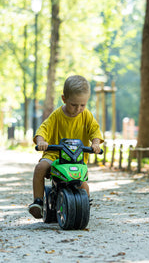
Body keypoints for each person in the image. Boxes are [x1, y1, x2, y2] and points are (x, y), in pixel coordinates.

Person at [28, 75, 104, 219]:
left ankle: (82, 208)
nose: (78, 109)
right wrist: (41, 141)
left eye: (83, 105)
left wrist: (95, 143)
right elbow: (43, 129)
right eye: (74, 105)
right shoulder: (57, 115)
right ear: (64, 99)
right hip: (55, 156)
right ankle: (38, 201)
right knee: (40, 168)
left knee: (83, 186)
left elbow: (94, 130)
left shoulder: (86, 115)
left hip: (76, 158)